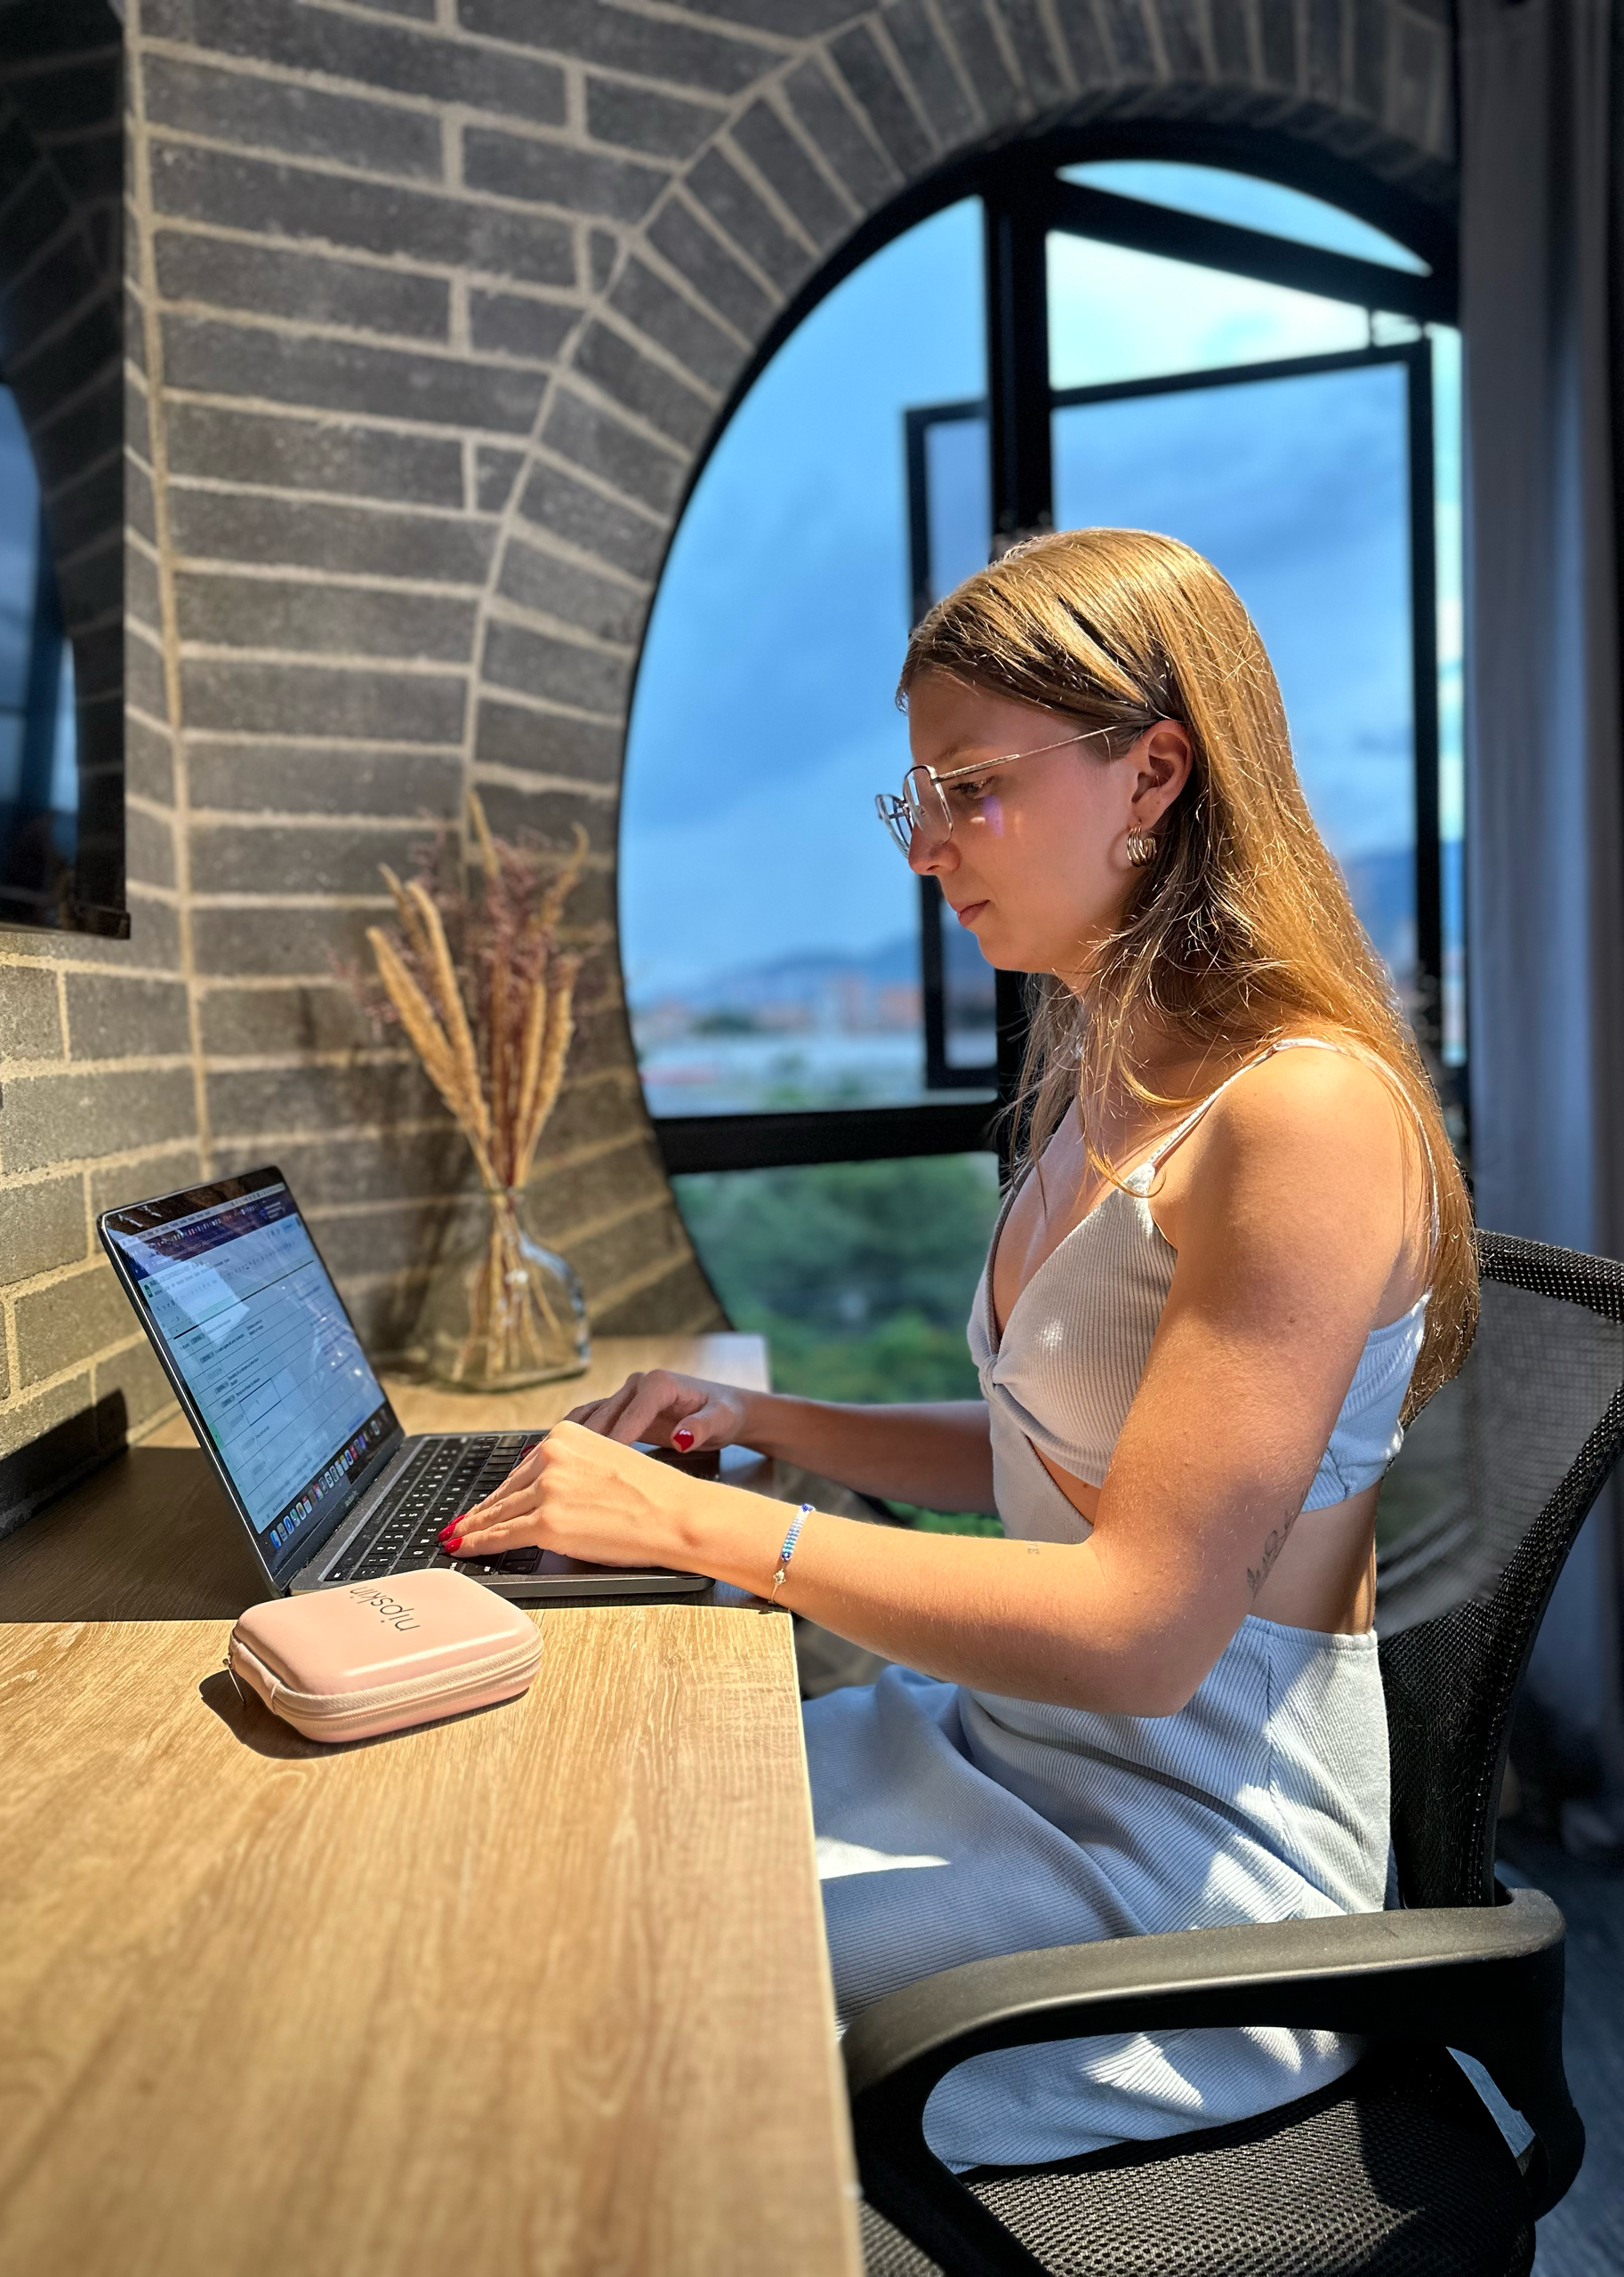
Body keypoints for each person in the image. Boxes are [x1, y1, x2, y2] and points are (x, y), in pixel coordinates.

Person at [445, 528, 1476, 2169]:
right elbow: (1051, 1449)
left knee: (585, 1990)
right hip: (1006, 1753)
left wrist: (707, 1524)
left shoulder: (1304, 1116)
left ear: (1152, 774)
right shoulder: (1104, 1074)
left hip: (1181, 1873)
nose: (926, 844)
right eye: (912, 795)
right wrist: (763, 1413)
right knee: (579, 1821)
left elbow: (1141, 1625)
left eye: (971, 786)